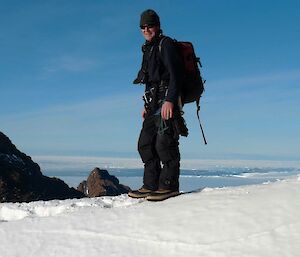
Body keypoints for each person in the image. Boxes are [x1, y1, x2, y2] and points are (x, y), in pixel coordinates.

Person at [128, 9, 186, 201]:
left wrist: (170, 100)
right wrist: (147, 104)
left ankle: (169, 185)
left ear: (157, 26)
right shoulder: (147, 48)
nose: (146, 29)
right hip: (153, 103)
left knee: (164, 143)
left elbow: (176, 75)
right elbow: (149, 79)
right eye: (142, 27)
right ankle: (151, 184)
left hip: (166, 101)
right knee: (145, 144)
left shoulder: (165, 44)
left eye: (149, 26)